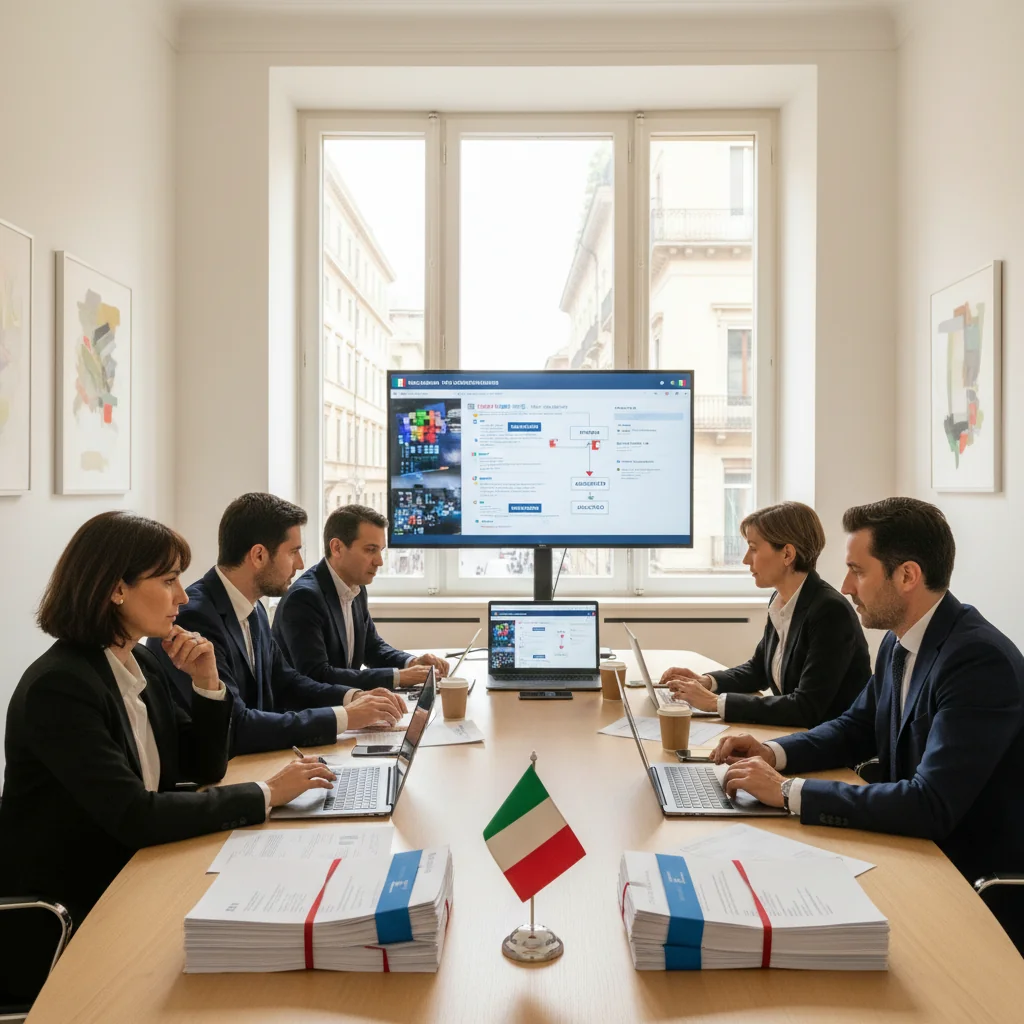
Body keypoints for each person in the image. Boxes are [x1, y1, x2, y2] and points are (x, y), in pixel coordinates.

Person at [0, 512, 336, 1003]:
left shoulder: (140, 661)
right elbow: (135, 814)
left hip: (135, 875)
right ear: (116, 589)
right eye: (169, 580)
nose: (183, 596)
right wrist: (266, 792)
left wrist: (206, 682)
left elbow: (201, 767)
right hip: (76, 911)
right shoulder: (62, 686)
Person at [711, 497, 1024, 951]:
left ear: (907, 576)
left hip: (967, 883)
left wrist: (785, 792)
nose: (845, 585)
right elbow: (853, 728)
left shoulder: (977, 661)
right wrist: (773, 753)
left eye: (858, 571)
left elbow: (930, 804)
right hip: (911, 852)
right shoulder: (901, 644)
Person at [146, 494, 406, 756]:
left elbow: (285, 681)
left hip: (256, 761)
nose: (301, 564)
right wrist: (344, 717)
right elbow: (236, 724)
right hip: (221, 776)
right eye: (293, 552)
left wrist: (352, 697)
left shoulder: (254, 607)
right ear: (258, 555)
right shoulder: (194, 618)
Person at [660, 501, 870, 726]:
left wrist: (715, 703)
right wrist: (706, 682)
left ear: (787, 554)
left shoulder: (829, 611)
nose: (745, 560)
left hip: (829, 749)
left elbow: (806, 707)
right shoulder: (781, 600)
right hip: (797, 735)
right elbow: (758, 670)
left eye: (753, 548)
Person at [273, 505, 449, 690]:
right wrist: (398, 677)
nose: (379, 561)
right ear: (337, 548)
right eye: (370, 550)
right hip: (312, 712)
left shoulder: (355, 586)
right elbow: (318, 675)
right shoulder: (304, 599)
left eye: (380, 550)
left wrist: (411, 662)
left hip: (346, 704)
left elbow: (371, 648)